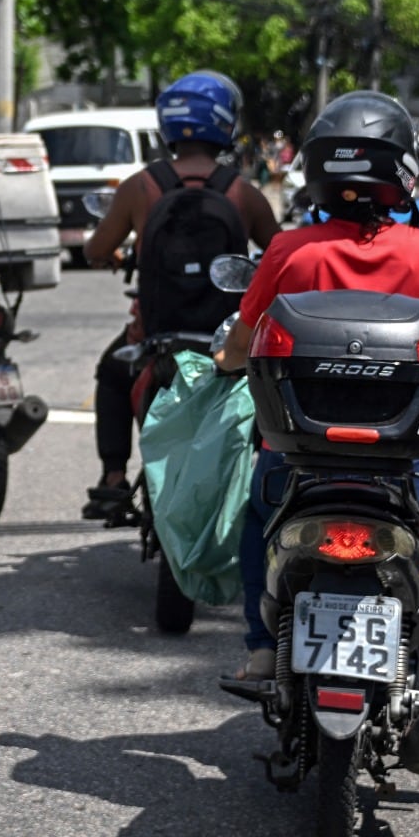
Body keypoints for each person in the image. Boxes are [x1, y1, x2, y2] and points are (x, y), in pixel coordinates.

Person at [214, 90, 419, 809]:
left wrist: (231, 363)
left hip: (295, 469)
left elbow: (239, 342)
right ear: (404, 172)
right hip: (407, 475)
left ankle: (264, 643)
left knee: (257, 522)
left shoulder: (292, 250)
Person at [78, 70, 279, 519]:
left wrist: (116, 253)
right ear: (226, 124)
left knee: (111, 375)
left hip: (155, 332)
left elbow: (94, 249)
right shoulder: (242, 193)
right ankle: (271, 478)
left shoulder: (139, 187)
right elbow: (279, 256)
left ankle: (112, 479)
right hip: (225, 340)